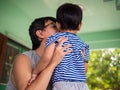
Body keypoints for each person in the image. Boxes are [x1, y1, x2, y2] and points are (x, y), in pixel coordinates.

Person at [32, 3, 90, 90]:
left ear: (58, 25)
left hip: (62, 85)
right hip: (81, 85)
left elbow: (46, 58)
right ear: (80, 26)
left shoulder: (55, 38)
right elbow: (85, 69)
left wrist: (35, 72)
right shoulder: (84, 45)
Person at [6, 17, 72, 90]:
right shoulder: (23, 58)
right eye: (54, 26)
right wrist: (53, 63)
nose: (60, 30)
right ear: (40, 34)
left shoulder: (61, 62)